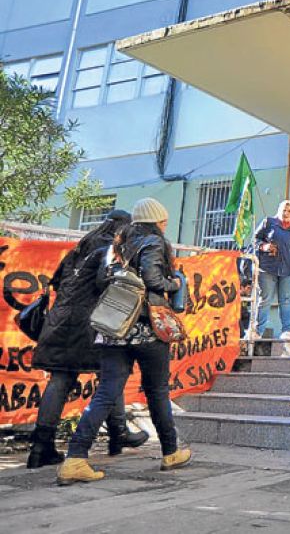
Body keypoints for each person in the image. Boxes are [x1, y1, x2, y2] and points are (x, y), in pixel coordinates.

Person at [57, 198, 191, 485]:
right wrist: (175, 284)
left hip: (113, 327)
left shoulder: (114, 247)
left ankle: (75, 458)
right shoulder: (153, 242)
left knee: (106, 392)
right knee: (157, 391)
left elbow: (100, 283)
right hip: (146, 328)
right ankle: (171, 452)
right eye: (163, 221)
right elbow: (154, 280)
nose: (165, 226)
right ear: (155, 221)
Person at [27, 211, 148, 469]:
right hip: (89, 325)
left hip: (59, 322)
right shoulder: (109, 250)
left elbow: (57, 283)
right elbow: (107, 282)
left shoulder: (77, 250)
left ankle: (40, 448)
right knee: (112, 375)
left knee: (61, 380)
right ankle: (118, 433)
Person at [253, 200, 290, 339]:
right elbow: (255, 240)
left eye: (289, 211)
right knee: (265, 299)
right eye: (283, 210)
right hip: (267, 268)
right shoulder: (268, 223)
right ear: (278, 210)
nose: (285, 213)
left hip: (289, 270)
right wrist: (263, 246)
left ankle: (286, 332)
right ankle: (257, 332)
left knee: (285, 300)